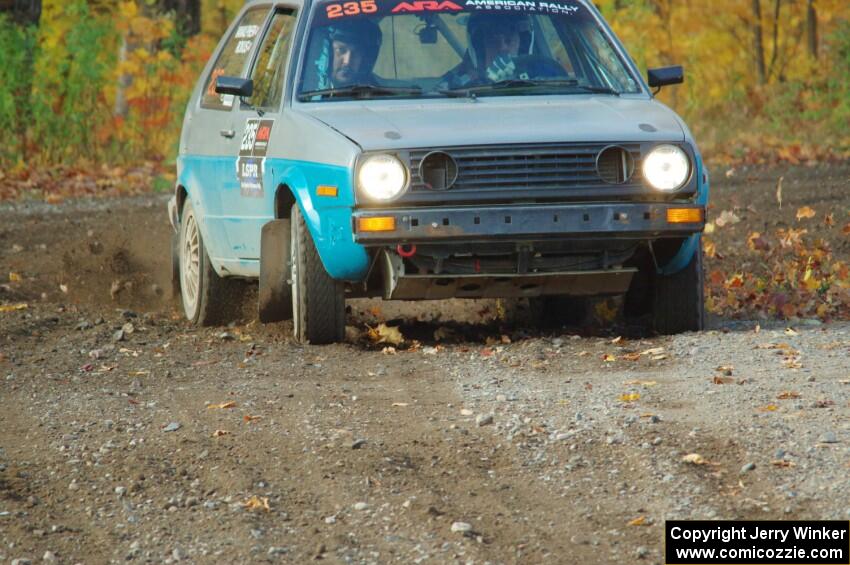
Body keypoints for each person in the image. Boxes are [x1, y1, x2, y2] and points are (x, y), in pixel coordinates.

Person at [438, 12, 534, 90]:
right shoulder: (453, 85)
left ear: (524, 43)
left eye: (509, 39)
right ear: (478, 47)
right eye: (493, 39)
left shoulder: (542, 74)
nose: (503, 48)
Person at [311, 19, 383, 89]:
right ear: (328, 53)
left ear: (364, 59)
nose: (347, 61)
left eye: (356, 53)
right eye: (341, 50)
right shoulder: (307, 89)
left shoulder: (376, 96)